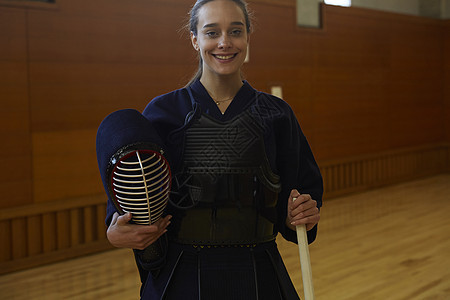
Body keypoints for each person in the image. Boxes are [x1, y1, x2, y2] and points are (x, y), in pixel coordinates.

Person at [104, 0, 322, 299]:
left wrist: (300, 214)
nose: (224, 42)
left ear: (248, 36)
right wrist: (116, 231)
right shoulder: (163, 113)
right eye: (211, 32)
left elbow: (301, 194)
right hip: (180, 274)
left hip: (258, 272)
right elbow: (128, 195)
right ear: (195, 39)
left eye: (235, 31)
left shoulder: (277, 115)